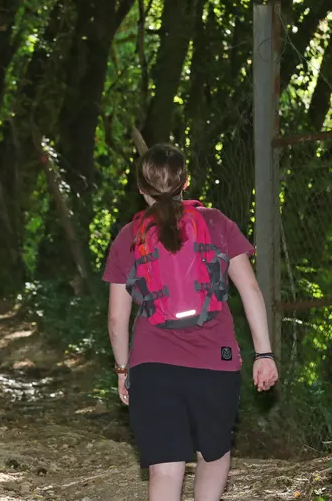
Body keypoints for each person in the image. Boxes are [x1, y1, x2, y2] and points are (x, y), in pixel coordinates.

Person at [104, 144, 278, 501]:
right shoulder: (216, 223)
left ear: (140, 188)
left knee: (166, 470)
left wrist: (123, 370)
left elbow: (115, 318)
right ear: (185, 181)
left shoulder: (128, 237)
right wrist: (264, 353)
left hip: (153, 366)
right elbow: (250, 290)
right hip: (217, 362)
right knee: (213, 455)